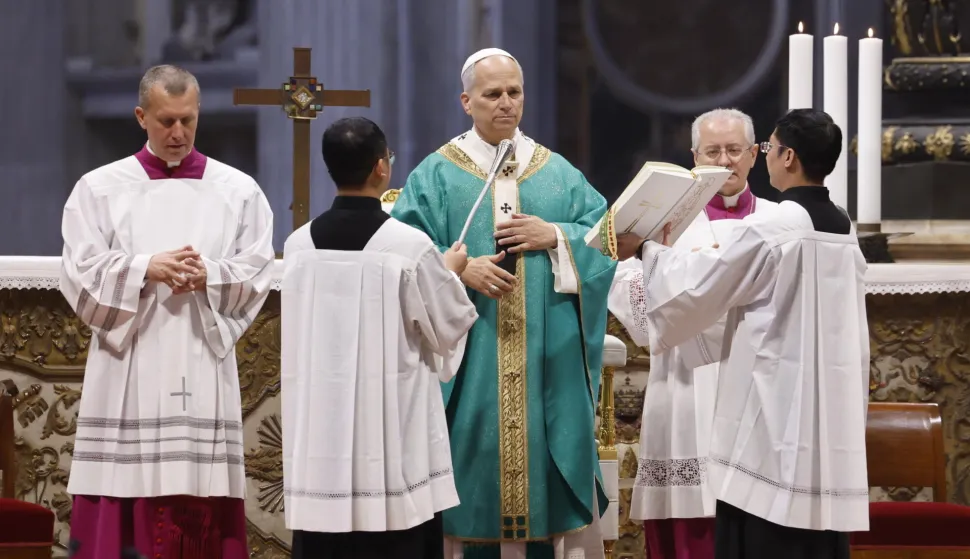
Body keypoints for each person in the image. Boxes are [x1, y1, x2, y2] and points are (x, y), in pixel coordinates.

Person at [390, 48, 616, 558]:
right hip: (470, 365)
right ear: (466, 102)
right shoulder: (436, 176)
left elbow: (604, 238)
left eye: (515, 92)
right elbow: (399, 254)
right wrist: (459, 270)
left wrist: (555, 235)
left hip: (545, 366)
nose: (506, 103)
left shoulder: (555, 173)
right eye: (493, 94)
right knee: (469, 476)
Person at [615, 109, 869, 558]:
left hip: (770, 417)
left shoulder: (774, 226)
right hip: (822, 412)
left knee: (765, 529)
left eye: (764, 148)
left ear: (785, 156)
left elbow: (696, 288)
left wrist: (651, 249)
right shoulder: (843, 228)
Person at [60, 65, 275, 559]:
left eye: (188, 120)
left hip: (200, 354)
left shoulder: (237, 190)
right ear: (141, 117)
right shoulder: (99, 188)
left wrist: (210, 275)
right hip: (130, 359)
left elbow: (257, 268)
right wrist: (144, 267)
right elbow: (80, 270)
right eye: (165, 122)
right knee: (122, 483)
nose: (178, 133)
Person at [280, 117, 479, 559]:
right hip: (390, 440)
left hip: (321, 438)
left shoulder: (298, 247)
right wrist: (451, 273)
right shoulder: (408, 247)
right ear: (381, 169)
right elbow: (448, 326)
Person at [609, 108, 777, 559]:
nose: (724, 161)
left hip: (756, 387)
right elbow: (632, 295)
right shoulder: (665, 228)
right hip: (685, 383)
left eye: (734, 150)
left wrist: (694, 295)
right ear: (693, 157)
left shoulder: (780, 222)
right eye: (712, 151)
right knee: (687, 523)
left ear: (755, 154)